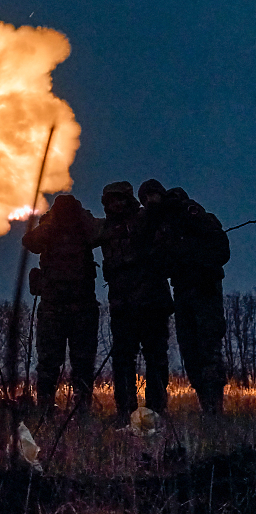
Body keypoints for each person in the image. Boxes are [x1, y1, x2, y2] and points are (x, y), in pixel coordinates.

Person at [138, 179, 229, 414]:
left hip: (204, 288)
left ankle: (214, 410)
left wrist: (192, 259)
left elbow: (220, 248)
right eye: (144, 198)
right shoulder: (157, 225)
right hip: (182, 291)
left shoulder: (188, 211)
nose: (149, 201)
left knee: (208, 349)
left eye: (151, 195)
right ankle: (206, 405)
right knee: (190, 352)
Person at [98, 181, 174, 424]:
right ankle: (125, 411)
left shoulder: (146, 220)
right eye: (111, 201)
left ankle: (156, 410)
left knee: (156, 357)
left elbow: (162, 254)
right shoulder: (106, 229)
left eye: (120, 199)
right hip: (122, 306)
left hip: (151, 303)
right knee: (122, 359)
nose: (116, 204)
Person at [23, 194, 102, 413]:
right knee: (48, 363)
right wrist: (51, 221)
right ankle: (45, 409)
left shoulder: (84, 226)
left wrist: (80, 215)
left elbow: (98, 234)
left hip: (82, 306)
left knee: (83, 364)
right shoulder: (49, 225)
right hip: (53, 307)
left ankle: (81, 409)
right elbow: (31, 242)